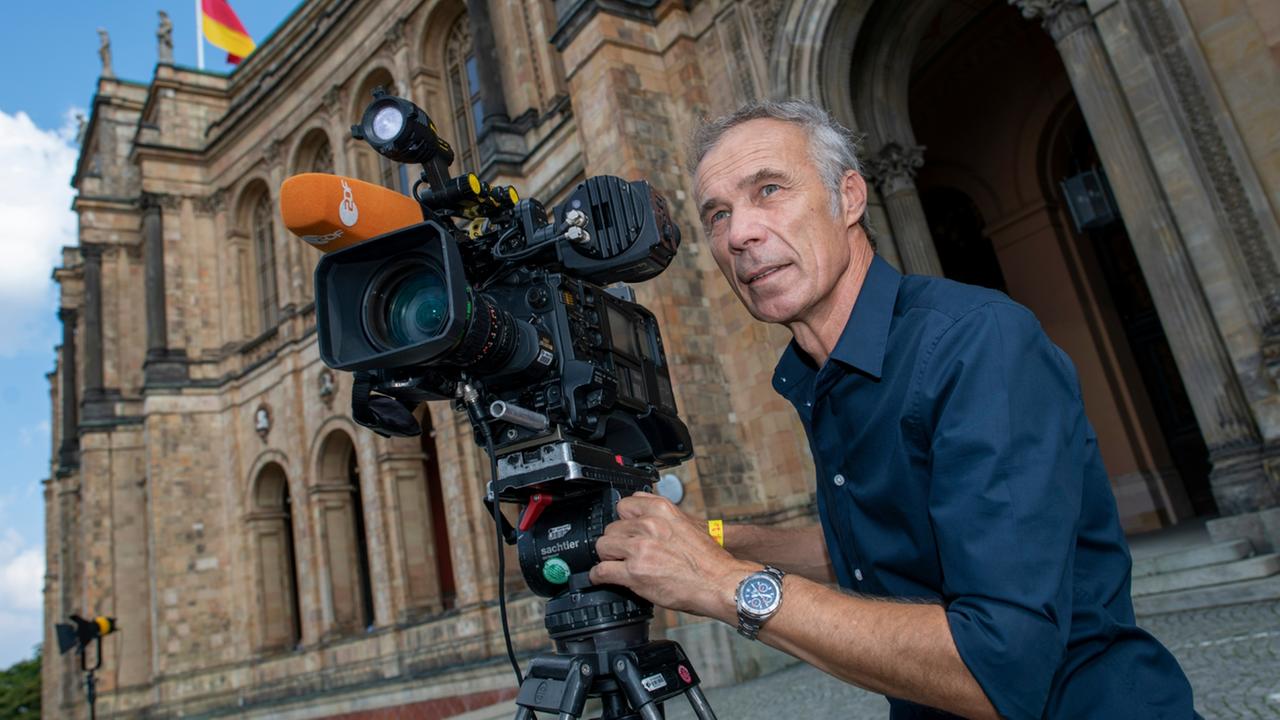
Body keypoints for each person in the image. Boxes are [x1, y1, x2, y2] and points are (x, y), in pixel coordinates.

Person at [588, 100, 1199, 719]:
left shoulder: (976, 343)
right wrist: (720, 539)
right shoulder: (815, 372)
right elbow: (881, 543)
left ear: (849, 198)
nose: (739, 233)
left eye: (768, 189)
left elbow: (999, 668)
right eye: (717, 214)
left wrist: (722, 582)